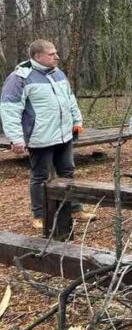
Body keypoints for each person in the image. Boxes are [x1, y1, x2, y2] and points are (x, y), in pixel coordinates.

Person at [0, 40, 95, 230]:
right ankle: (39, 214)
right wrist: (16, 138)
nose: (57, 57)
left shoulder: (57, 73)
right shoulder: (20, 77)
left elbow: (70, 99)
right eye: (52, 54)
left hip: (64, 135)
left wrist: (77, 121)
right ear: (38, 56)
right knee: (41, 176)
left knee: (67, 172)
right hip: (40, 137)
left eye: (56, 53)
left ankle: (74, 208)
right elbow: (9, 109)